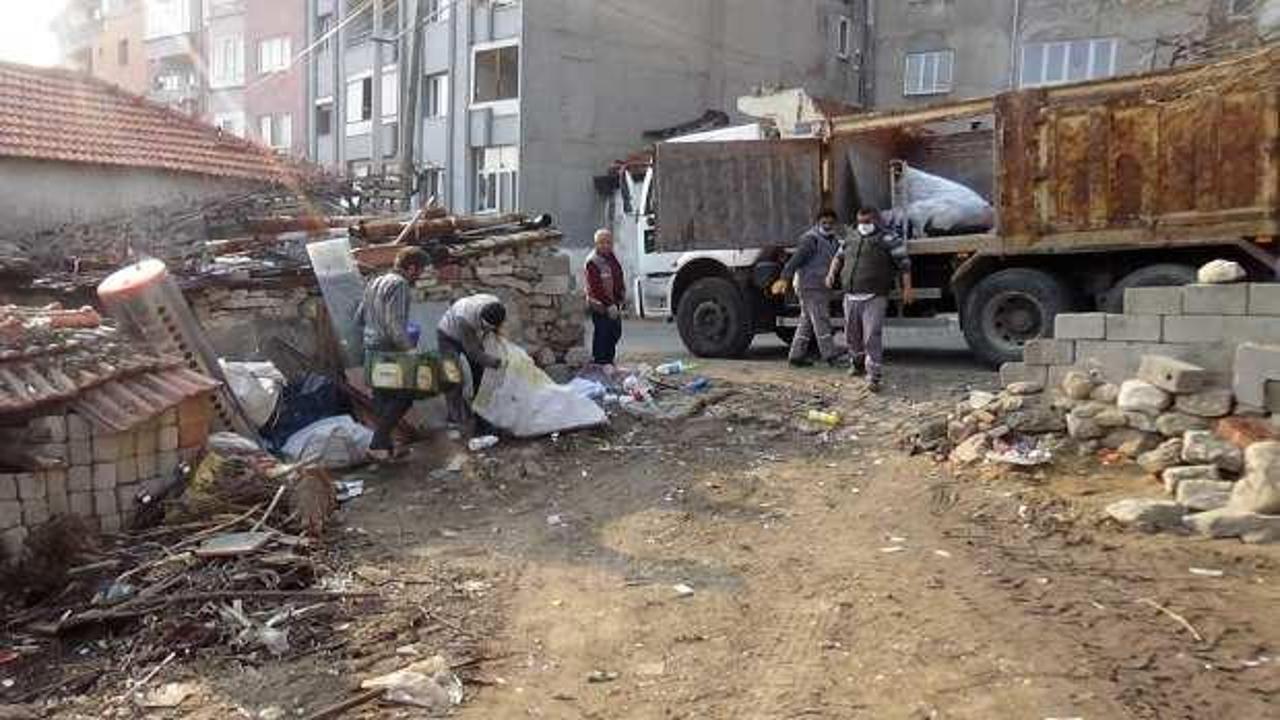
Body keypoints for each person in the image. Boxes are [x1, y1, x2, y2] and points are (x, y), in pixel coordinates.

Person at [826, 207, 914, 393]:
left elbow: (904, 264)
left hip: (874, 296)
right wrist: (831, 274)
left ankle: (874, 375)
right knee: (851, 335)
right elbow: (838, 257)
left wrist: (907, 289)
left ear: (876, 221)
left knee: (871, 335)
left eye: (867, 222)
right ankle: (856, 363)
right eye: (860, 222)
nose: (863, 226)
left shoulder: (888, 239)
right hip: (850, 295)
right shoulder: (850, 238)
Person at [357, 247, 428, 461]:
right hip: (390, 350)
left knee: (383, 398)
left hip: (371, 347)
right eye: (420, 271)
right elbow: (394, 323)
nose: (420, 276)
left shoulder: (375, 282)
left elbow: (359, 318)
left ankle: (386, 448)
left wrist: (373, 331)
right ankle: (377, 443)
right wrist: (410, 349)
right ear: (411, 267)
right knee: (407, 395)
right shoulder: (400, 284)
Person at [772, 208, 847, 368]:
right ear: (817, 223)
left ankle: (796, 356)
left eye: (830, 223)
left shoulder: (833, 240)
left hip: (820, 286)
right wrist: (784, 278)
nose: (827, 226)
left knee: (806, 322)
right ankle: (830, 356)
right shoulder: (810, 239)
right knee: (821, 320)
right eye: (824, 223)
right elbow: (795, 260)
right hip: (810, 286)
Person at [437, 293, 506, 433]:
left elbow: (498, 332)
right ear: (481, 319)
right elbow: (473, 353)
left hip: (471, 334)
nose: (487, 330)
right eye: (485, 327)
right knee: (453, 377)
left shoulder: (496, 305)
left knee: (480, 373)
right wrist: (496, 363)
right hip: (448, 336)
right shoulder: (465, 317)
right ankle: (454, 419)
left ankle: (480, 412)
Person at [584, 228, 625, 366]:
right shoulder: (592, 262)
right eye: (602, 242)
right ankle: (600, 363)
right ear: (596, 244)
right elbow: (596, 288)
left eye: (608, 242)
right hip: (600, 306)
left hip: (614, 303)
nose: (605, 245)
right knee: (602, 335)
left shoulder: (611, 257)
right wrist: (608, 304)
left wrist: (621, 295)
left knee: (615, 333)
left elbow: (618, 276)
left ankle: (609, 362)